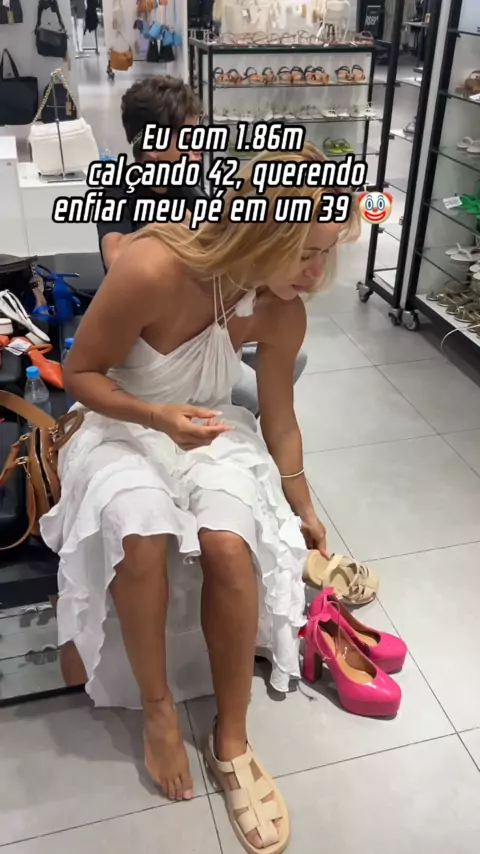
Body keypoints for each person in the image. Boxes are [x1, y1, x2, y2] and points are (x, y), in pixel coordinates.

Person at [40, 143, 360, 854]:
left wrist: (305, 507)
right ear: (258, 232)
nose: (316, 274)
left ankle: (232, 739)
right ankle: (158, 710)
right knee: (141, 530)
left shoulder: (280, 311)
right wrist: (156, 416)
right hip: (122, 421)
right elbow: (79, 371)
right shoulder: (155, 268)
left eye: (326, 254)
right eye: (305, 253)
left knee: (229, 543)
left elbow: (279, 421)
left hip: (211, 428)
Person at [96, 75, 307, 416]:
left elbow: (224, 246)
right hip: (149, 346)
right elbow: (117, 256)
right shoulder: (117, 190)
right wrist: (177, 226)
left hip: (198, 323)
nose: (199, 145)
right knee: (252, 399)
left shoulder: (190, 189)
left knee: (295, 355)